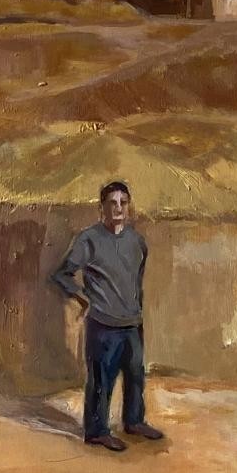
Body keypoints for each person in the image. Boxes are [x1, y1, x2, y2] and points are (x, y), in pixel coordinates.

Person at [51, 180, 164, 452]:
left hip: (132, 324)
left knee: (135, 376)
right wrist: (82, 297)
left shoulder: (137, 242)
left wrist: (135, 310)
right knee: (101, 381)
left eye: (123, 203)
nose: (118, 208)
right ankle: (97, 431)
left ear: (129, 207)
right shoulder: (88, 240)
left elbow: (136, 282)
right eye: (112, 203)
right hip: (102, 325)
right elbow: (62, 274)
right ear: (102, 208)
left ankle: (134, 422)